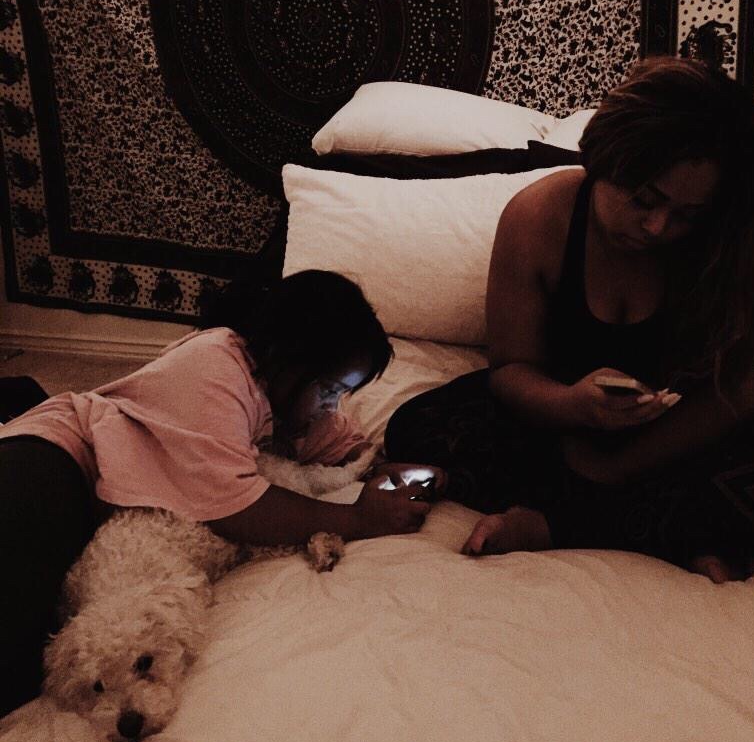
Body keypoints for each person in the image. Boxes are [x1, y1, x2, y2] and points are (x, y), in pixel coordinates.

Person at [383, 57, 754, 583]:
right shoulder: (541, 217)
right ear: (605, 159)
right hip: (564, 423)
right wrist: (571, 406)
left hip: (688, 431)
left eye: (687, 214)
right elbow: (511, 369)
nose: (659, 227)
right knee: (419, 427)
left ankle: (563, 524)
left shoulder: (734, 241)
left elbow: (747, 390)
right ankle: (677, 532)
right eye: (644, 200)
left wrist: (614, 467)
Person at [0, 269, 431, 717]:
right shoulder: (216, 362)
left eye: (340, 395)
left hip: (99, 514)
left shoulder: (290, 410)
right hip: (67, 457)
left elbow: (349, 446)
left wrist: (390, 468)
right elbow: (240, 509)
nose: (330, 407)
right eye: (329, 390)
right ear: (287, 358)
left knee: (24, 671)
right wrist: (359, 519)